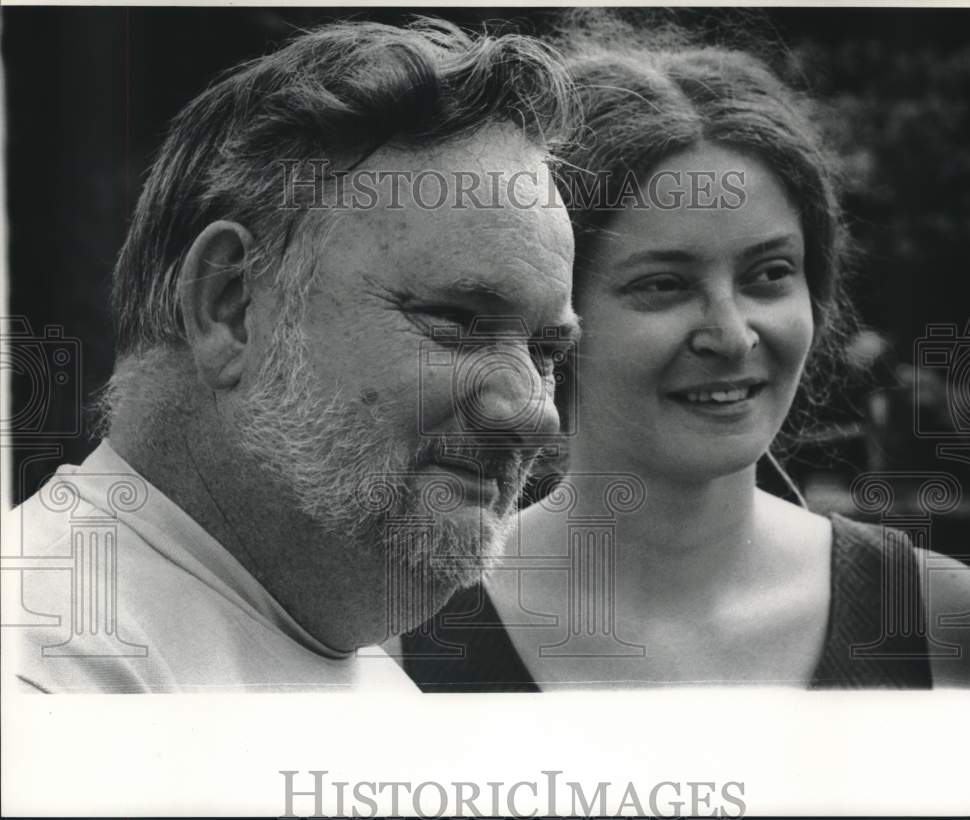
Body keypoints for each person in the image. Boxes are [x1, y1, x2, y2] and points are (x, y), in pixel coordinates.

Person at [401, 28, 970, 688]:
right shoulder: (408, 635)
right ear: (551, 319)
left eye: (769, 274)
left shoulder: (942, 622)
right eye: (665, 284)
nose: (733, 334)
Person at [4, 18, 581, 692]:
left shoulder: (374, 686)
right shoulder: (42, 670)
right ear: (229, 306)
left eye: (545, 350)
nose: (537, 418)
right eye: (456, 322)